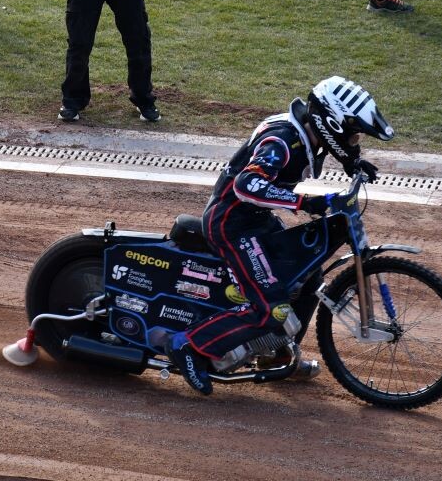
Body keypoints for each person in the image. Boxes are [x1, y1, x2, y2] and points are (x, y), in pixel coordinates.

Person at [166, 77, 394, 395]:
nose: (354, 141)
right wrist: (306, 202)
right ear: (331, 123)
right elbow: (247, 185)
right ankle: (189, 345)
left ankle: (276, 356)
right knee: (271, 310)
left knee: (308, 275)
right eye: (353, 135)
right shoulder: (283, 142)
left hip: (255, 221)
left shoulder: (308, 132)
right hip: (232, 227)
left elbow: (333, 146)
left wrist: (352, 161)